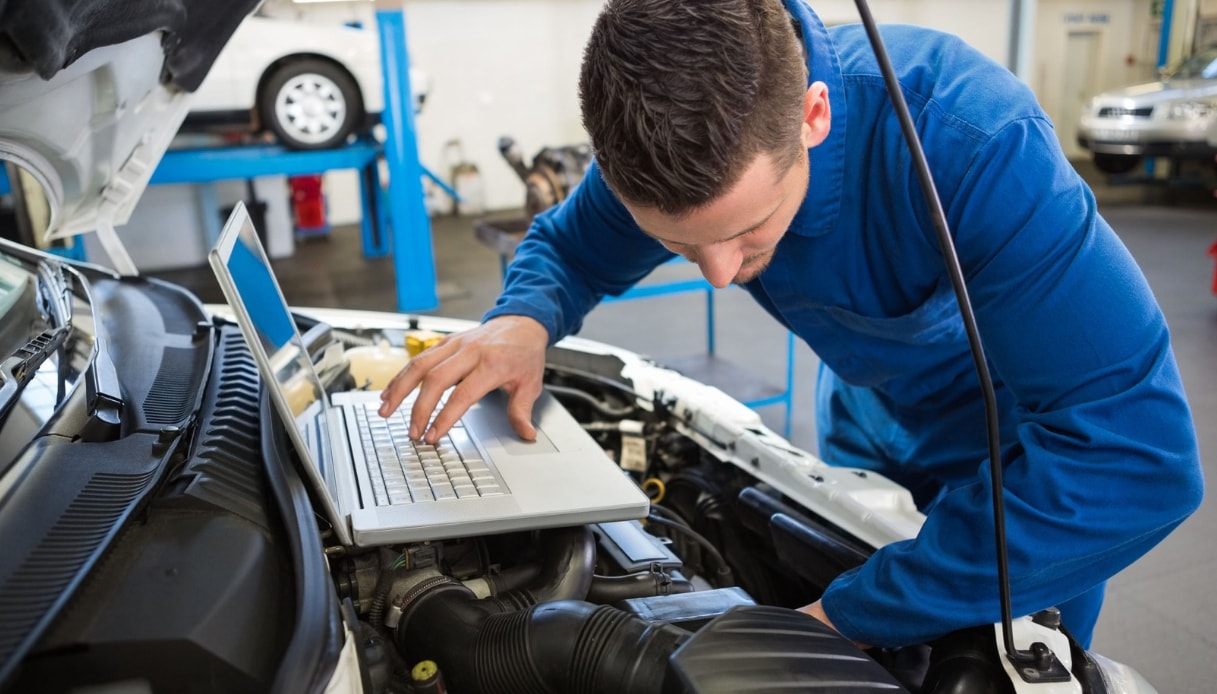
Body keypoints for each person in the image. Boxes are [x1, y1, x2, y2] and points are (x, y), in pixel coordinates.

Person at [380, 0, 1204, 650]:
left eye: (748, 232)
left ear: (813, 117)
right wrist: (523, 318)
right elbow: (569, 246)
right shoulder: (671, 140)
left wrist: (844, 620)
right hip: (861, 421)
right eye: (676, 245)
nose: (719, 272)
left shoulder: (971, 142)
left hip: (1020, 470)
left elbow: (1133, 460)